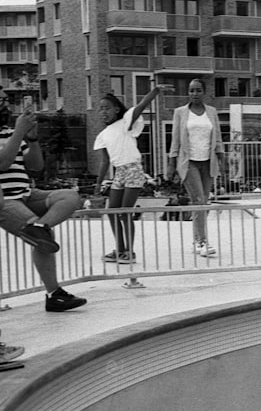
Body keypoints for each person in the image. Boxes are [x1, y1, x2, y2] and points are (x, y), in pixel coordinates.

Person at [0, 105, 87, 312]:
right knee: (42, 238)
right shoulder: (15, 133)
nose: (4, 104)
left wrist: (32, 139)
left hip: (28, 194)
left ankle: (40, 227)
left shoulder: (10, 133)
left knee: (70, 197)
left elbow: (36, 166)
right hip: (5, 201)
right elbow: (3, 163)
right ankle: (54, 294)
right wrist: (20, 131)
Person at [94, 83, 173, 264]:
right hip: (119, 172)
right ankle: (120, 249)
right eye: (100, 109)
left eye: (106, 108)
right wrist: (98, 184)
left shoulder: (125, 123)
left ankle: (130, 252)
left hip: (133, 169)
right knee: (112, 211)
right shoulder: (103, 134)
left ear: (116, 110)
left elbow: (141, 106)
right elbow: (105, 161)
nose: (102, 112)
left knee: (125, 212)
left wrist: (155, 91)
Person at [166, 78, 224, 258]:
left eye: (198, 90)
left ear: (204, 92)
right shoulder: (180, 113)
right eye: (191, 90)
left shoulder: (212, 112)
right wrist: (171, 163)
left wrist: (223, 158)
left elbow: (218, 138)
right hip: (188, 162)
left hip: (208, 161)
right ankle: (202, 241)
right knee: (199, 200)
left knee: (203, 202)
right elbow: (175, 140)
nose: (194, 94)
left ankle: (196, 240)